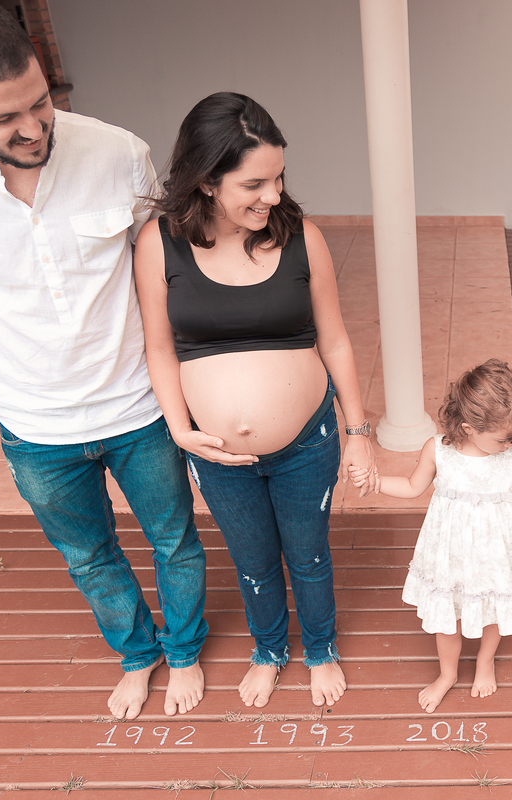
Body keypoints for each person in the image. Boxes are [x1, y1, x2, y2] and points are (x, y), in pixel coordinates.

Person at [0, 0, 207, 720]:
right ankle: (138, 656)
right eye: (5, 118)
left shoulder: (118, 152)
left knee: (175, 538)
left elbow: (165, 276)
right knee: (88, 556)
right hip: (32, 424)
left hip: (138, 405)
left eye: (41, 102)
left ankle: (184, 650)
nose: (33, 128)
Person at [133, 92, 375, 710]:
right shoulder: (159, 243)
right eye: (254, 184)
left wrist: (358, 434)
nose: (274, 195)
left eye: (279, 178)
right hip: (217, 453)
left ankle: (320, 647)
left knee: (309, 556)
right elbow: (159, 349)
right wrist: (180, 429)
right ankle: (268, 650)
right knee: (253, 561)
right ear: (207, 180)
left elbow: (336, 341)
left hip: (307, 444)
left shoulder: (302, 238)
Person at [352, 359, 512, 713]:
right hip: (449, 556)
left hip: (495, 555)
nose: (510, 443)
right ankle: (447, 673)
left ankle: (485, 661)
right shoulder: (438, 450)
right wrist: (377, 482)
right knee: (447, 620)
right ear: (469, 428)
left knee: (494, 610)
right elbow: (413, 486)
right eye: (503, 438)